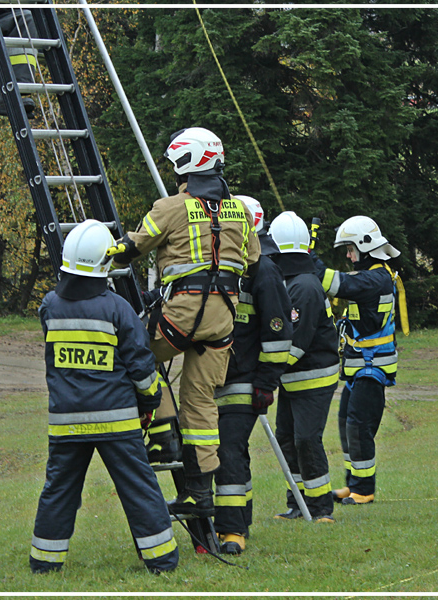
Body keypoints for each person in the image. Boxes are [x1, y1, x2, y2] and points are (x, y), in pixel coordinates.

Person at [108, 126, 261, 517]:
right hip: (222, 322)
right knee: (201, 404)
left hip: (181, 316)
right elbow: (253, 259)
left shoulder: (169, 208)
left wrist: (108, 252)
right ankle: (199, 493)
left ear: (186, 164)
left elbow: (134, 247)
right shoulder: (241, 212)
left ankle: (160, 439)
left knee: (136, 360)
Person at [29, 220, 178, 575]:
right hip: (117, 419)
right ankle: (162, 560)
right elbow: (142, 370)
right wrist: (150, 403)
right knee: (138, 487)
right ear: (104, 263)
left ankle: (44, 562)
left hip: (66, 421)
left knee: (59, 491)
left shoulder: (50, 306)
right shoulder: (118, 309)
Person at [212, 196, 293, 554]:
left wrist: (265, 383)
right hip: (213, 377)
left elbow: (278, 333)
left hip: (246, 379)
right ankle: (234, 520)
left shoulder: (264, 272)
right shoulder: (219, 264)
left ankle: (232, 532)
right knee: (219, 450)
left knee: (229, 450)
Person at [316, 216, 407, 506]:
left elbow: (335, 283)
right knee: (346, 422)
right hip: (361, 368)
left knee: (359, 426)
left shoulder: (375, 278)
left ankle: (364, 489)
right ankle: (354, 482)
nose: (348, 255)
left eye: (350, 249)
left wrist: (307, 258)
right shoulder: (372, 275)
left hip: (372, 369)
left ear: (365, 246)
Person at [268, 211, 339, 523]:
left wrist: (267, 372)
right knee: (287, 438)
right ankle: (297, 502)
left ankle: (320, 506)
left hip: (313, 377)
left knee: (306, 439)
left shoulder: (305, 286)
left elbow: (297, 341)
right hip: (292, 378)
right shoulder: (291, 281)